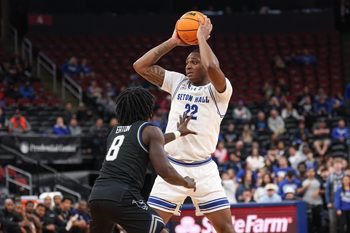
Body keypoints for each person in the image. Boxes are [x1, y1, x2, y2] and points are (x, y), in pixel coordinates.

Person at [133, 17, 235, 232]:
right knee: (148, 229)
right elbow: (140, 66)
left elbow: (212, 65)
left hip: (203, 169)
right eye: (187, 62)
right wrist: (172, 41)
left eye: (194, 62)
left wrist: (200, 39)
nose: (188, 66)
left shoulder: (220, 91)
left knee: (226, 229)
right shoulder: (178, 82)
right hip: (171, 167)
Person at [88, 87, 196, 233]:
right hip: (123, 195)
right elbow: (165, 171)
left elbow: (152, 141)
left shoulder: (114, 131)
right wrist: (186, 182)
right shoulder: (150, 130)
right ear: (147, 109)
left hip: (97, 196)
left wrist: (177, 133)